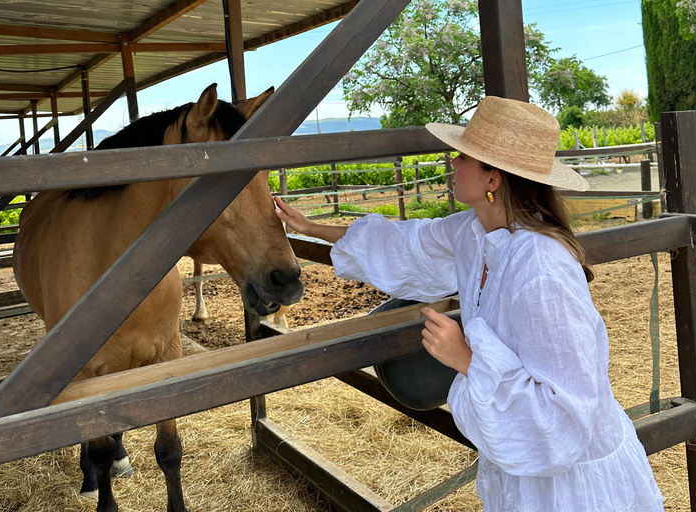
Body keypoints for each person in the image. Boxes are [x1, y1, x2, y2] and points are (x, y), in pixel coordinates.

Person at [273, 95, 664, 512]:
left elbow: (565, 414)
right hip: (527, 474)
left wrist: (467, 359)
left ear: (492, 180)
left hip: (574, 484)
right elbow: (404, 241)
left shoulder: (542, 268)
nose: (452, 164)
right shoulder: (475, 231)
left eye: (463, 157)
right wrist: (311, 227)